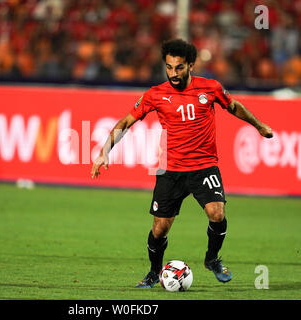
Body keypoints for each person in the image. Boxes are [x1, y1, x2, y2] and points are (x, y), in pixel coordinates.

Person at [90, 39, 273, 288]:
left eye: (179, 68)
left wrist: (259, 125)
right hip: (171, 170)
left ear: (191, 65)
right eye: (169, 67)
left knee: (217, 213)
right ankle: (154, 272)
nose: (173, 73)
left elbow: (234, 106)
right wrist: (104, 151)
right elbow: (126, 122)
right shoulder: (155, 94)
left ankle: (211, 260)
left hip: (204, 165)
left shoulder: (210, 88)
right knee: (160, 229)